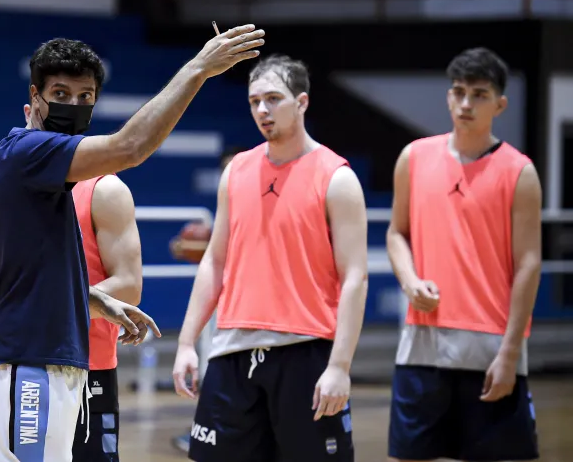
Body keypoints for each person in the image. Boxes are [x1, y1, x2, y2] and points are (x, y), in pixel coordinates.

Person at [0, 25, 265, 461]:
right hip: (29, 363)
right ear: (34, 98)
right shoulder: (30, 150)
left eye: (85, 97)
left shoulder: (45, 173)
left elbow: (19, 276)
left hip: (55, 359)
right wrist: (198, 69)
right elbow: (131, 146)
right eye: (60, 93)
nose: (73, 106)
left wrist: (90, 299)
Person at [172, 54, 369, 462]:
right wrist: (187, 342)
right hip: (231, 350)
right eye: (254, 101)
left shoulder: (337, 178)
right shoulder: (237, 172)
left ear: (302, 102)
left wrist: (340, 366)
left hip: (305, 351)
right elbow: (215, 261)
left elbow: (355, 279)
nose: (262, 110)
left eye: (274, 99)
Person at [385, 47, 541, 462]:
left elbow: (528, 264)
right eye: (458, 92)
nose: (466, 103)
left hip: (491, 347)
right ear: (448, 97)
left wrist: (510, 353)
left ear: (500, 104)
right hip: (422, 343)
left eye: (479, 94)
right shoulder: (414, 157)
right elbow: (397, 234)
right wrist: (410, 280)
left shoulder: (519, 171)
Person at [0, 173, 143, 462]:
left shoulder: (104, 190)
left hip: (85, 368)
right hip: (15, 364)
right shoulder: (15, 182)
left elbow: (128, 286)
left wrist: (37, 304)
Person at [169, 145, 247, 455]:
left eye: (234, 165)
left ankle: (223, 429)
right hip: (219, 300)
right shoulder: (226, 201)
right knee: (207, 366)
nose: (230, 172)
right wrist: (190, 246)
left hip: (244, 305)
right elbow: (215, 251)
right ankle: (205, 427)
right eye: (225, 166)